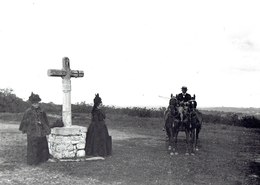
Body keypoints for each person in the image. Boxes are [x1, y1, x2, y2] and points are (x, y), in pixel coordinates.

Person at [19, 92, 51, 165]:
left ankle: (42, 159)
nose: (36, 105)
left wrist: (45, 127)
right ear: (32, 103)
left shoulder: (42, 111)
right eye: (34, 103)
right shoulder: (28, 111)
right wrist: (27, 127)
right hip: (32, 131)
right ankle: (32, 161)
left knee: (42, 145)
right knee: (32, 146)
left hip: (40, 131)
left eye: (37, 103)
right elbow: (24, 121)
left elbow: (45, 120)